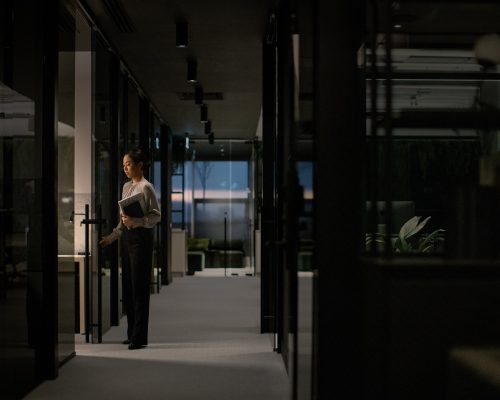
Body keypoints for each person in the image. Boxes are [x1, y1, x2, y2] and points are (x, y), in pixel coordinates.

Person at [100, 148, 161, 350]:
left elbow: (156, 216)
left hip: (141, 239)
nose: (125, 168)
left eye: (128, 163)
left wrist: (138, 221)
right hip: (127, 238)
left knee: (139, 287)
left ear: (139, 165)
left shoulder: (146, 187)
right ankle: (131, 332)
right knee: (128, 287)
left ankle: (139, 337)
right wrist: (111, 237)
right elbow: (123, 218)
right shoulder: (126, 187)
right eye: (123, 164)